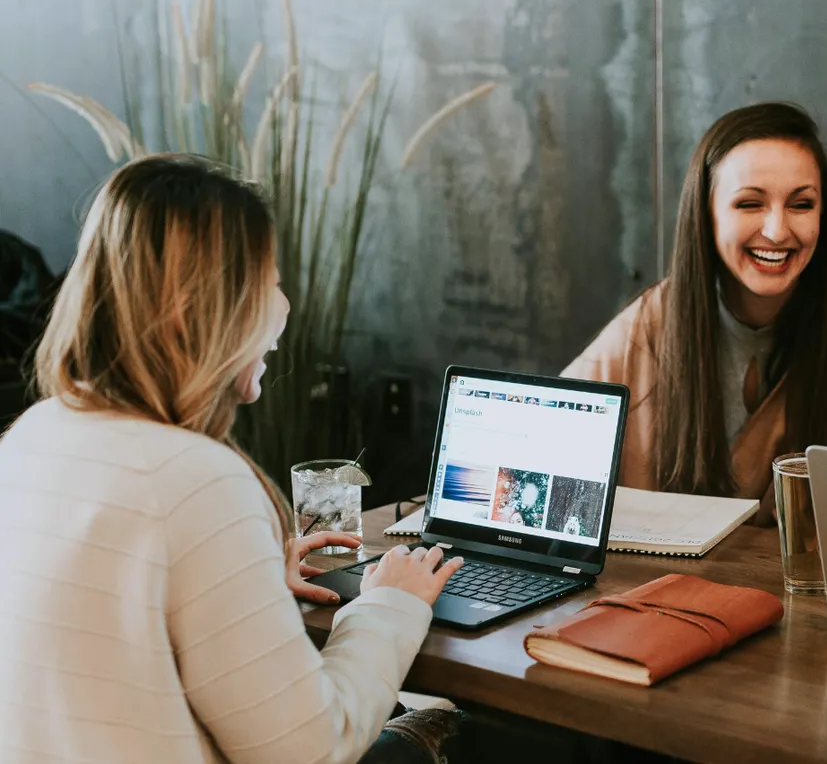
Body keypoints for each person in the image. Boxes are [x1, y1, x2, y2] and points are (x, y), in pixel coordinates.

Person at [0, 154, 480, 763]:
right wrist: (392, 603)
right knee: (447, 726)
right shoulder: (196, 480)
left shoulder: (32, 435)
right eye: (268, 283)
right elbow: (311, 750)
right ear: (192, 308)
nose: (282, 309)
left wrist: (245, 585)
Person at [565, 102, 827, 521]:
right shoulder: (651, 323)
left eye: (802, 204)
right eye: (750, 204)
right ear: (707, 215)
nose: (777, 230)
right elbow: (544, 444)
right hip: (645, 586)